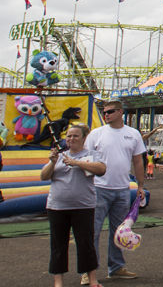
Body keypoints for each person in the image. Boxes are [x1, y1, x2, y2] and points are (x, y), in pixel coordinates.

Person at [84, 100, 145, 283]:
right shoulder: (96, 134)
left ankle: (116, 267)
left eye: (110, 111)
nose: (107, 115)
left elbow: (138, 161)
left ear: (120, 112)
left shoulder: (133, 134)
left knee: (120, 231)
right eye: (105, 112)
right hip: (98, 188)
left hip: (122, 190)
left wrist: (140, 185)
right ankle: (88, 271)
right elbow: (86, 160)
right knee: (92, 231)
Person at [42, 123, 107, 287]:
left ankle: (92, 279)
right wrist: (52, 162)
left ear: (84, 138)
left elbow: (101, 169)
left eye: (75, 136)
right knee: (58, 245)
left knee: (86, 243)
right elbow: (43, 176)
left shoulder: (91, 154)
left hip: (83, 206)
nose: (71, 139)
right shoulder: (59, 156)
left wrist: (76, 163)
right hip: (57, 207)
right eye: (69, 136)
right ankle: (58, 281)